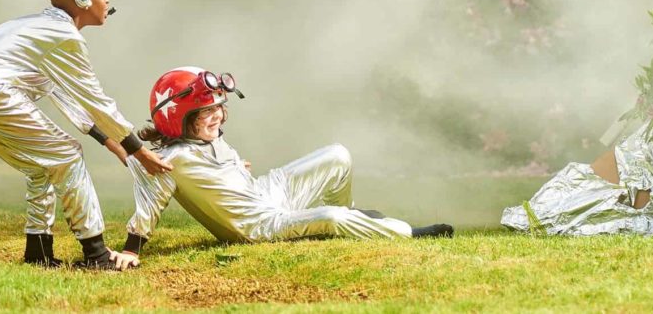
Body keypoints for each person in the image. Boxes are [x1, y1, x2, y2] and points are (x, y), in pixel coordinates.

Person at [0, 0, 172, 269]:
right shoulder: (63, 36)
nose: (108, 1)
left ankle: (38, 253)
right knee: (68, 155)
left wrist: (110, 141)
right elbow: (96, 101)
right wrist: (138, 150)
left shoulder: (41, 29)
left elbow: (64, 95)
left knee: (40, 167)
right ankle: (98, 257)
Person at [113, 67, 452, 269]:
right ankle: (407, 232)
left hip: (264, 191)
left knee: (337, 155)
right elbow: (150, 199)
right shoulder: (174, 160)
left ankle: (353, 217)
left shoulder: (207, 140)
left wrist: (234, 168)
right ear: (178, 119)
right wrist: (132, 248)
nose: (216, 115)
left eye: (218, 107)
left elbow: (221, 172)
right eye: (205, 112)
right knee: (330, 219)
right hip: (259, 224)